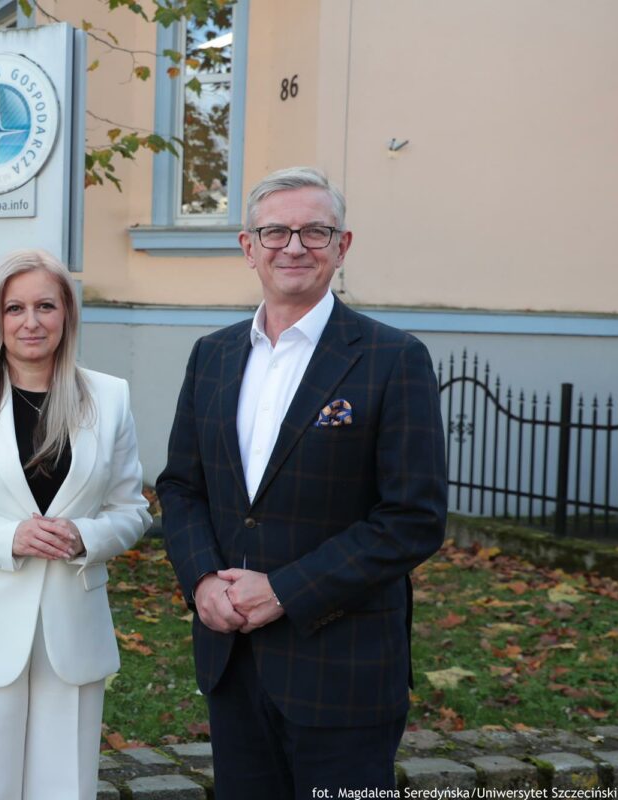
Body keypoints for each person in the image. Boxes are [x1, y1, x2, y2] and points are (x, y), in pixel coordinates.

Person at [156, 167, 447, 797]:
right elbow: (180, 487)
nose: (294, 247)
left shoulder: (393, 359)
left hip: (343, 670)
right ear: (248, 247)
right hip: (233, 661)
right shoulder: (212, 355)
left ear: (342, 247)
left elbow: (412, 518)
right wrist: (201, 579)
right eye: (275, 232)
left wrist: (284, 591)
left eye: (315, 231)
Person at [0, 249, 151, 800]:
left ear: (67, 314)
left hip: (73, 632)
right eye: (14, 308)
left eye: (46, 306)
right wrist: (7, 537)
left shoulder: (109, 397)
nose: (31, 322)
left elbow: (131, 510)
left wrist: (86, 536)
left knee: (66, 789)